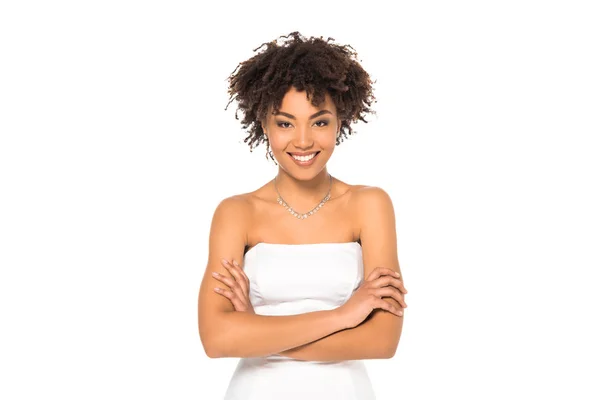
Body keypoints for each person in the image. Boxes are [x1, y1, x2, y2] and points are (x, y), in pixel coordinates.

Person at [197, 31, 408, 399]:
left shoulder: (369, 205)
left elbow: (382, 341)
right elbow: (217, 339)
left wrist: (256, 331)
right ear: (264, 124)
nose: (304, 141)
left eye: (320, 122)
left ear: (340, 121)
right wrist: (343, 317)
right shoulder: (237, 213)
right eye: (285, 123)